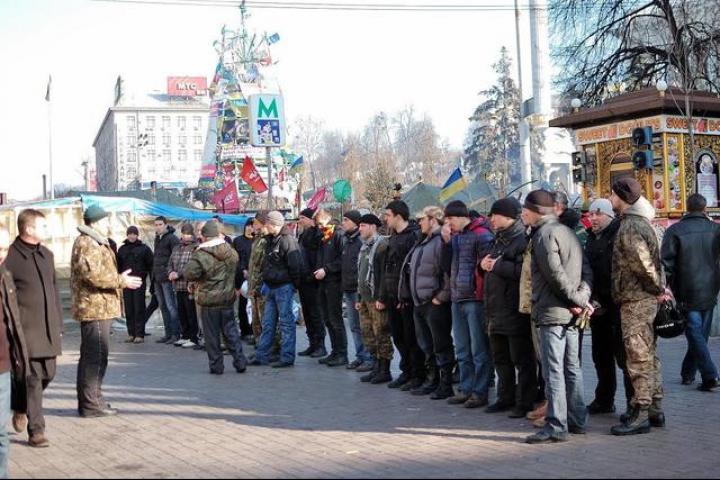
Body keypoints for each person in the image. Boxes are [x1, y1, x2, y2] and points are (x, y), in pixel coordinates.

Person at [522, 190, 592, 445]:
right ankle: (577, 420)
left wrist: (576, 300)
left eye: (524, 210)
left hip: (554, 312)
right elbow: (586, 271)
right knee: (572, 368)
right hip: (571, 311)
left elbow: (554, 276)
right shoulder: (568, 231)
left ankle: (557, 425)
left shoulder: (544, 234)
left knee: (554, 370)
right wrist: (581, 299)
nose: (522, 214)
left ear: (536, 211)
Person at [71, 206, 143, 418]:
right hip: (94, 307)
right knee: (95, 357)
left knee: (95, 356)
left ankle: (92, 400)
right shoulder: (87, 243)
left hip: (99, 306)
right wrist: (122, 280)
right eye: (105, 220)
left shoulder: (94, 240)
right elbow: (94, 275)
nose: (109, 224)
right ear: (96, 222)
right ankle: (91, 404)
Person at [610, 179, 667, 436]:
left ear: (622, 198)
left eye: (612, 195)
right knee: (649, 355)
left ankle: (642, 413)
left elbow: (642, 264)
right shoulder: (640, 222)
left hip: (636, 300)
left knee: (638, 357)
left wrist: (657, 288)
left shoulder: (630, 226)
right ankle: (654, 409)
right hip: (642, 298)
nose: (610, 199)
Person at [4, 210, 63, 448]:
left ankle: (20, 405)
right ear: (29, 229)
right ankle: (36, 430)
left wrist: (59, 323)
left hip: (48, 328)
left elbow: (55, 291)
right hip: (25, 331)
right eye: (44, 226)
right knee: (33, 379)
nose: (47, 230)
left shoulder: (46, 255)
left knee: (49, 373)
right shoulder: (10, 257)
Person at [482, 198, 538, 419]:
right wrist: (483, 265)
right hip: (495, 309)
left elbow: (523, 273)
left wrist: (496, 265)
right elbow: (490, 265)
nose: (491, 219)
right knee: (501, 358)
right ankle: (505, 397)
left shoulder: (522, 240)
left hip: (514, 309)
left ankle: (524, 401)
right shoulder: (497, 240)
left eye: (494, 215)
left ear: (507, 216)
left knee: (522, 359)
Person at [662, 194, 720, 392]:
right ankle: (688, 372)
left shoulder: (675, 230)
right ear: (705, 209)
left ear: (687, 207)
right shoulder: (715, 229)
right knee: (699, 332)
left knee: (696, 332)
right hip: (711, 287)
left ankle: (709, 375)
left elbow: (666, 263)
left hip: (686, 289)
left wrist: (665, 286)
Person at [441, 201, 494, 409]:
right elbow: (447, 266)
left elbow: (486, 268)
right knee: (462, 348)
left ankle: (480, 391)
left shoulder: (481, 234)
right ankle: (466, 388)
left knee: (478, 348)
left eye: (451, 219)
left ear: (461, 216)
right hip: (457, 298)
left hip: (474, 299)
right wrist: (446, 243)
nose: (449, 224)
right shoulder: (456, 237)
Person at [584, 199, 634, 415]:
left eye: (598, 214)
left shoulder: (620, 234)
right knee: (601, 355)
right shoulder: (592, 237)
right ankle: (604, 399)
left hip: (617, 306)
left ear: (609, 215)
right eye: (591, 214)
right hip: (598, 306)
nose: (592, 218)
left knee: (624, 358)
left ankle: (634, 404)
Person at [403, 207, 455, 400]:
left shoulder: (440, 240)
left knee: (440, 344)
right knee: (426, 344)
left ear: (433, 219)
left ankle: (445, 383)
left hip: (434, 303)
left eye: (422, 219)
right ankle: (432, 379)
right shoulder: (422, 241)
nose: (419, 223)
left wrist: (441, 297)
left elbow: (448, 272)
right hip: (420, 302)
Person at [184, 221, 247, 375]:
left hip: (209, 300)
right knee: (231, 332)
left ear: (205, 236)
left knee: (211, 336)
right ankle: (240, 361)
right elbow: (236, 271)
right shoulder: (231, 251)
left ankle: (216, 366)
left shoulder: (201, 253)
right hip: (227, 298)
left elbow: (189, 273)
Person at [250, 212, 303, 368]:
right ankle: (262, 355)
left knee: (286, 323)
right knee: (268, 323)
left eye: (268, 224)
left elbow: (296, 266)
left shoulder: (288, 241)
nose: (266, 226)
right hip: (272, 286)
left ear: (274, 224)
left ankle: (286, 357)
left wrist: (293, 285)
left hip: (283, 286)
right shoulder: (270, 240)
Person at [382, 201, 425, 391]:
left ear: (399, 216)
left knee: (411, 338)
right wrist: (383, 296)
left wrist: (405, 296)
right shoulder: (392, 237)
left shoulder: (413, 236)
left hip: (406, 297)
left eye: (388, 214)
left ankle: (418, 374)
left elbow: (411, 269)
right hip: (392, 294)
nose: (385, 218)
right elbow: (386, 268)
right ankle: (405, 371)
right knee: (398, 335)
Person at [0, 222, 30, 477]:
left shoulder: (5, 274)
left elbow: (13, 319)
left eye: (4, 247)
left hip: (4, 364)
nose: (1, 253)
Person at [355, 214, 393, 385]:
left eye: (363, 225)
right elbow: (360, 273)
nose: (360, 229)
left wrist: (382, 297)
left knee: (381, 334)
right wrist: (358, 296)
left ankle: (384, 370)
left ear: (372, 226)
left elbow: (384, 274)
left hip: (376, 299)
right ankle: (376, 366)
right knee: (368, 334)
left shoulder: (381, 246)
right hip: (364, 298)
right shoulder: (364, 247)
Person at [314, 209, 350, 367]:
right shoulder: (323, 236)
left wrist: (326, 269)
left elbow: (342, 260)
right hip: (323, 282)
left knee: (335, 319)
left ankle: (342, 353)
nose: (319, 227)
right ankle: (335, 351)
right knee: (327, 319)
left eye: (321, 223)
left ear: (328, 220)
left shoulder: (338, 236)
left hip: (334, 282)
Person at [341, 210, 373, 371]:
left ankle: (369, 357)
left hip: (358, 289)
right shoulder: (346, 240)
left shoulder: (361, 241)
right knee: (353, 325)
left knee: (363, 325)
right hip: (348, 287)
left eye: (346, 220)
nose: (343, 223)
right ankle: (360, 355)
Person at [297, 209, 327, 358]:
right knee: (307, 314)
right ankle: (312, 343)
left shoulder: (316, 234)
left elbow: (319, 257)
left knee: (316, 314)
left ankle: (321, 345)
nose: (300, 220)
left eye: (302, 217)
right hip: (303, 281)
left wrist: (313, 275)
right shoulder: (302, 234)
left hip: (313, 281)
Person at [116, 226, 154, 343]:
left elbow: (151, 265)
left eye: (134, 234)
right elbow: (118, 266)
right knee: (129, 308)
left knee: (139, 308)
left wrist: (152, 281)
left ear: (137, 235)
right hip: (126, 282)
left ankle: (139, 334)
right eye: (129, 234)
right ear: (127, 235)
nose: (132, 236)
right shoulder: (122, 249)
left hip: (139, 282)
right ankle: (131, 333)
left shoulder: (144, 249)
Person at [168, 224, 200, 349]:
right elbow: (170, 263)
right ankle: (185, 335)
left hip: (189, 286)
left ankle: (194, 337)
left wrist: (178, 274)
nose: (186, 236)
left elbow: (192, 266)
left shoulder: (195, 247)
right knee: (182, 313)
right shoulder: (176, 247)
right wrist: (170, 272)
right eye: (184, 233)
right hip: (177, 286)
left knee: (191, 313)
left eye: (188, 233)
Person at [152, 216, 181, 345]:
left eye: (160, 224)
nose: (158, 227)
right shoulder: (157, 238)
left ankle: (176, 334)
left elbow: (176, 258)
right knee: (163, 306)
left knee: (171, 306)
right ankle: (168, 334)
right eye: (156, 224)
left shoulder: (172, 238)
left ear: (165, 225)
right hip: (157, 277)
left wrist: (171, 273)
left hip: (167, 277)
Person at [248, 212, 270, 344]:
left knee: (265, 318)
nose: (253, 226)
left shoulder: (265, 240)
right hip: (254, 285)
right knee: (255, 318)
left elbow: (262, 266)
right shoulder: (256, 240)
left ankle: (269, 345)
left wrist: (258, 285)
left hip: (261, 286)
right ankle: (259, 342)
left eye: (255, 223)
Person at [233, 219, 255, 343]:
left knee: (253, 307)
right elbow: (236, 259)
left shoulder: (257, 241)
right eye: (248, 226)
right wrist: (243, 270)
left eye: (252, 226)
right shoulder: (238, 241)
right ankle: (245, 331)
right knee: (242, 306)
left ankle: (253, 331)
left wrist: (251, 271)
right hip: (241, 279)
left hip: (254, 278)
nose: (250, 228)